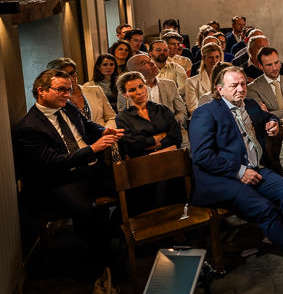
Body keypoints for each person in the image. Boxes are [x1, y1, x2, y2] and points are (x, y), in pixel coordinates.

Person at [188, 67, 283, 266]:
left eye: (243, 84)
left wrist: (273, 123)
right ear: (220, 89)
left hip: (254, 169)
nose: (240, 89)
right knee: (264, 208)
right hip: (222, 178)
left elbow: (268, 117)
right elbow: (201, 156)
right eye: (234, 85)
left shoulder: (251, 105)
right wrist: (239, 171)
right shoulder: (205, 113)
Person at [12, 70, 123, 264]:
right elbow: (52, 163)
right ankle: (101, 257)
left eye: (69, 90)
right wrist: (92, 149)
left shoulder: (67, 107)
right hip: (61, 179)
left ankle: (116, 236)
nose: (67, 94)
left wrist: (105, 130)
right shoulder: (29, 127)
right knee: (86, 211)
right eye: (61, 90)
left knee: (129, 186)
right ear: (41, 91)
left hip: (91, 170)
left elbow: (87, 125)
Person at [115, 71, 182, 157]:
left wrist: (146, 144)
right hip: (142, 162)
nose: (139, 92)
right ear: (125, 94)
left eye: (141, 86)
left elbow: (177, 137)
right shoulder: (122, 117)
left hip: (171, 156)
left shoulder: (162, 109)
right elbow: (131, 146)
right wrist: (159, 137)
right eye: (132, 90)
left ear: (145, 85)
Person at [121, 54, 188, 129]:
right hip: (143, 134)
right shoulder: (127, 91)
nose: (152, 63)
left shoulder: (170, 84)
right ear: (135, 71)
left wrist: (172, 123)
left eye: (150, 60)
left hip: (172, 129)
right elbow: (125, 118)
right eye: (144, 63)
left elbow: (182, 111)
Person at [48, 58, 117, 129]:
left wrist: (105, 132)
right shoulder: (56, 99)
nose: (70, 78)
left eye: (72, 73)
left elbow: (111, 117)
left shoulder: (96, 90)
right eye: (64, 75)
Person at [186, 41, 223, 111]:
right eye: (210, 57)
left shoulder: (228, 79)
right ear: (203, 58)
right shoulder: (192, 82)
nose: (214, 60)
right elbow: (193, 108)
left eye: (217, 57)